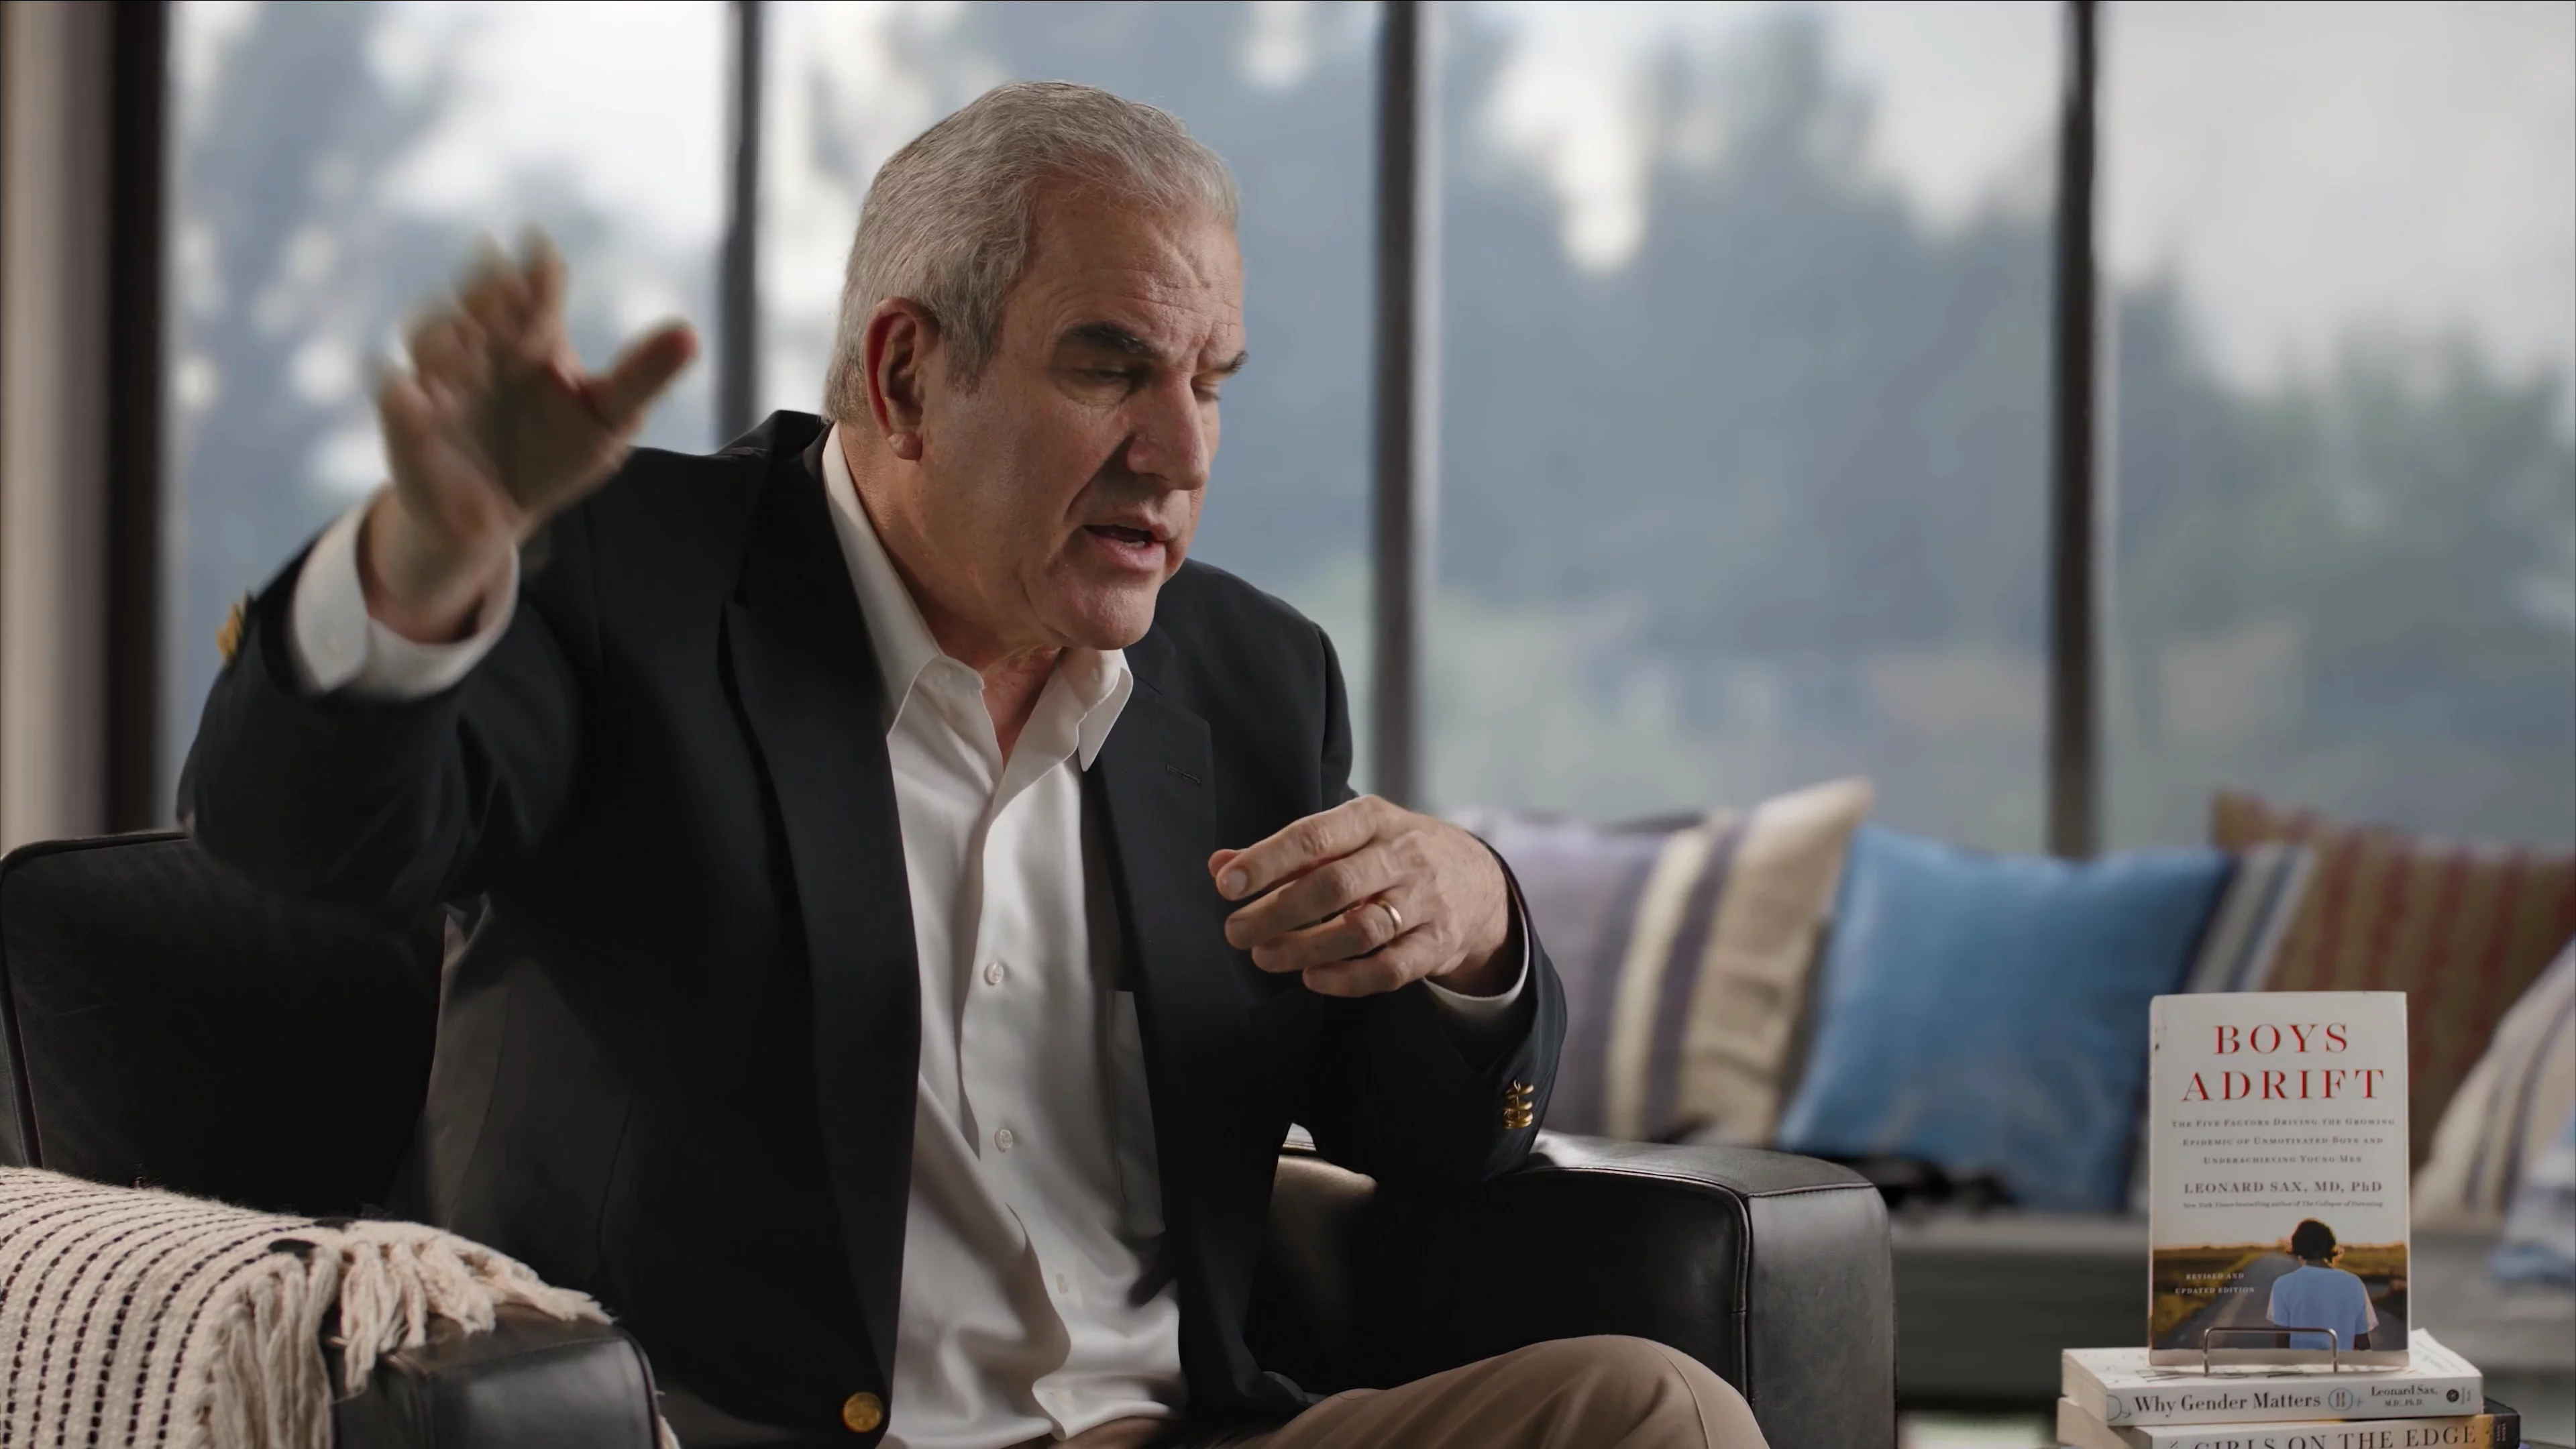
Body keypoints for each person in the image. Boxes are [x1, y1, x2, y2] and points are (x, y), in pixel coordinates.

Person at [180, 82, 1770, 1449]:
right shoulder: (625, 583)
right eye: (1109, 368)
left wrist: (1477, 928)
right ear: (904, 380)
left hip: (1177, 1426)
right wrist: (419, 572)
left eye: (1209, 381)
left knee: (1652, 1410)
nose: (1181, 449)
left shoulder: (1253, 678)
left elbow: (1440, 1148)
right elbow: (302, 837)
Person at [2267, 1219, 2379, 1352]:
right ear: (2330, 1245)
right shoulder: (2353, 1283)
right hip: (2340, 1363)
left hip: (2301, 1363)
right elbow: (2363, 1343)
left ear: (2297, 1246)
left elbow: (2282, 1343)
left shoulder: (2283, 1284)